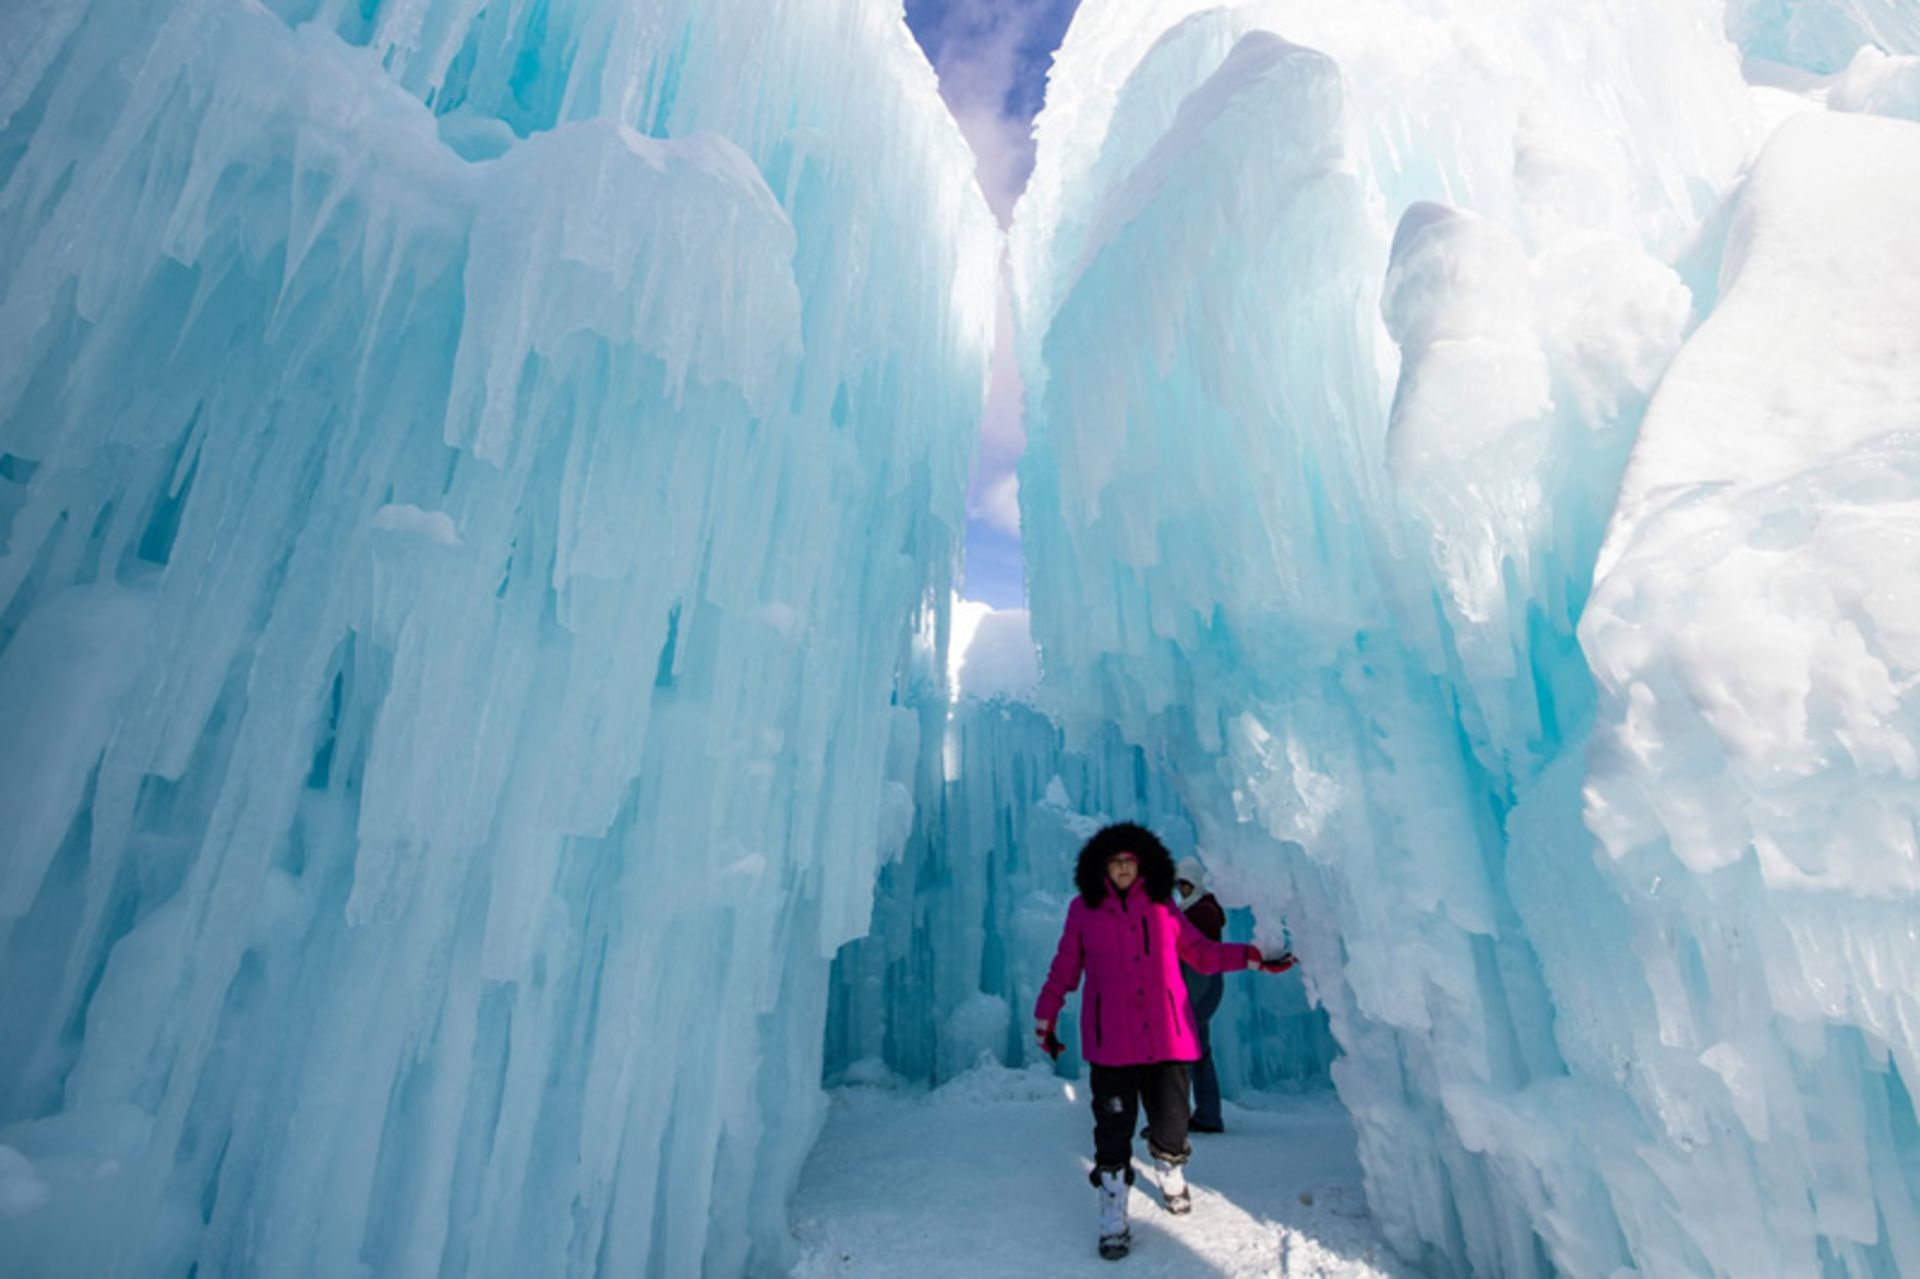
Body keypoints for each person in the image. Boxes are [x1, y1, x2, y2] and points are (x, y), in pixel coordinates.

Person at [1033, 823, 1296, 1260]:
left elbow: (1203, 953)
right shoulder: (1083, 910)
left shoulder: (1163, 908)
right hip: (1111, 1043)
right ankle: (1113, 1206)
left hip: (1167, 1038)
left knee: (1172, 1121)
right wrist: (1046, 1015)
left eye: (1129, 862)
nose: (1122, 869)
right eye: (1114, 862)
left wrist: (1253, 959)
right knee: (1112, 1129)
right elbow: (1064, 970)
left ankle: (1170, 1167)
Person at [1174, 857, 1229, 1133]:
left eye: (1185, 884)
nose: (1181, 890)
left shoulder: (1201, 912)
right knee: (1200, 1053)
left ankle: (1174, 1120)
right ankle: (1208, 1115)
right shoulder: (1202, 909)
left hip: (1199, 984)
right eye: (1179, 885)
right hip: (1204, 985)